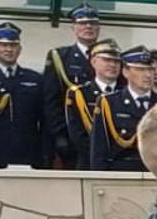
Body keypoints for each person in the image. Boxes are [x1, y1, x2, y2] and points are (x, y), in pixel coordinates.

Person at [0, 23, 47, 168]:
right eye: (3, 45)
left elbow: (44, 118)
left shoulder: (35, 78)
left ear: (20, 49)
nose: (8, 49)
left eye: (13, 45)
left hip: (29, 151)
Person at [41, 3, 101, 168]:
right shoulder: (60, 56)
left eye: (93, 23)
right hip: (71, 134)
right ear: (73, 28)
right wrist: (60, 136)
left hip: (103, 134)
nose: (88, 26)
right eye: (82, 23)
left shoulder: (109, 56)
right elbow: (51, 101)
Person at [89, 46, 157, 172]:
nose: (148, 75)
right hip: (121, 172)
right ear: (126, 72)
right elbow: (99, 148)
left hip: (156, 172)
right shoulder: (109, 102)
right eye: (140, 69)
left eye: (151, 69)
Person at [62, 39, 123, 171]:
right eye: (107, 60)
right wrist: (99, 155)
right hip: (88, 162)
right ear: (93, 62)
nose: (113, 65)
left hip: (122, 163)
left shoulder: (125, 94)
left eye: (116, 61)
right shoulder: (79, 94)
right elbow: (77, 134)